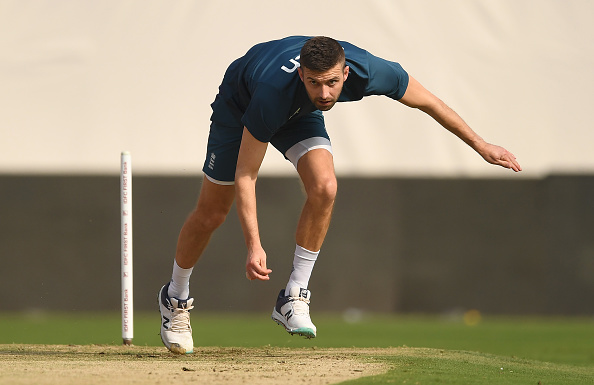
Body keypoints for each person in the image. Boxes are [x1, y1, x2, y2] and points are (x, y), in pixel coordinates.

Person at [157, 36, 522, 354]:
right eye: (315, 83)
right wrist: (254, 245)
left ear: (346, 73)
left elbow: (429, 102)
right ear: (302, 74)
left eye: (332, 82)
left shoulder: (371, 70)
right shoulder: (272, 93)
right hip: (241, 107)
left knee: (326, 187)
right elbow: (246, 174)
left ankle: (293, 296)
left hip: (299, 113)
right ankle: (174, 297)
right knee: (211, 215)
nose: (325, 93)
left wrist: (481, 145)